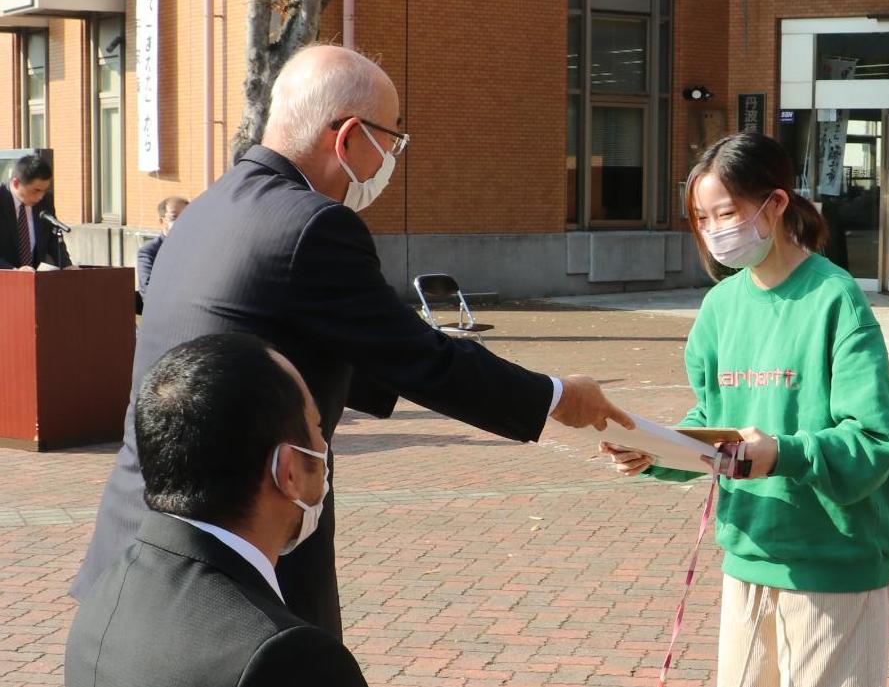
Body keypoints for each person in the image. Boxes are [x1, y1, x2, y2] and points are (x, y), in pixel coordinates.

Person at [72, 45, 631, 638]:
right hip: (236, 554)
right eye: (394, 138)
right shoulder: (313, 224)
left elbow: (318, 336)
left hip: (140, 539)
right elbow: (420, 358)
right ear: (350, 137)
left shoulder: (215, 204)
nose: (394, 156)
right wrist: (555, 397)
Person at [604, 132, 889, 687]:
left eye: (728, 213)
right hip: (749, 550)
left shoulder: (834, 298)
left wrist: (782, 453)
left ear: (775, 204)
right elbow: (711, 419)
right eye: (703, 217)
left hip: (831, 557)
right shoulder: (720, 306)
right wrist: (656, 449)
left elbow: (873, 442)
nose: (716, 230)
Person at [65, 333, 377, 687]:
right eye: (316, 427)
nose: (324, 445)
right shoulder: (288, 660)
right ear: (289, 472)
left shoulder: (111, 584)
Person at [0, 154, 72, 270]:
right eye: (36, 190)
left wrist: (67, 266)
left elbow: (53, 240)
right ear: (16, 183)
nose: (40, 196)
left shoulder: (45, 201)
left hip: (34, 282)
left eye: (44, 190)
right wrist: (14, 271)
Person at [136, 195, 188, 297]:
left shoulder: (197, 247)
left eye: (186, 216)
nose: (181, 221)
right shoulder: (149, 251)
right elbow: (148, 290)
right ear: (161, 220)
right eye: (174, 217)